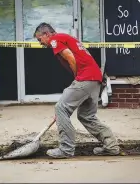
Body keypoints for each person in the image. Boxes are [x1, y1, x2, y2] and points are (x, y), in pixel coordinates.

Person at [33, 22, 120, 159]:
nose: (40, 43)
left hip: (85, 78)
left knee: (61, 108)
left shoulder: (56, 39)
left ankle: (66, 149)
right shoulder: (66, 37)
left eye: (40, 39)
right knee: (86, 116)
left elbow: (70, 57)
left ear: (46, 34)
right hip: (95, 78)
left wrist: (77, 78)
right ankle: (111, 146)